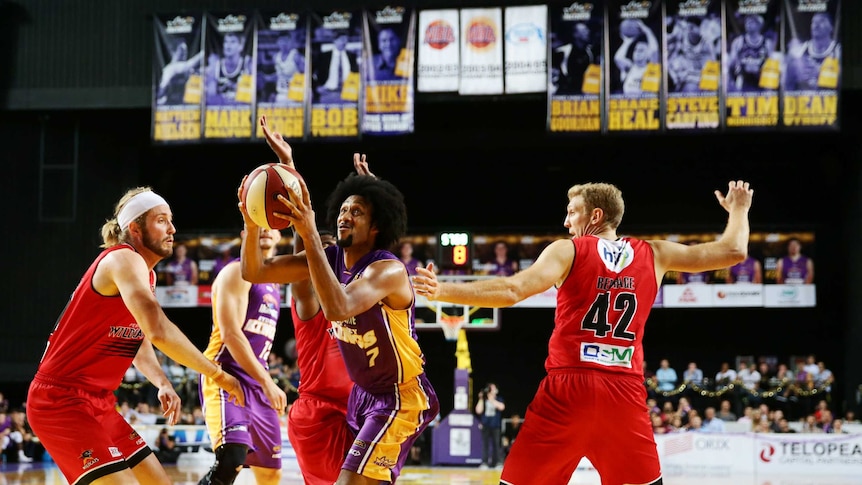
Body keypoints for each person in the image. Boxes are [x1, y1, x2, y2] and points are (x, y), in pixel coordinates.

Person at [412, 180, 754, 485]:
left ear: (595, 216)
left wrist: (442, 290)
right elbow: (733, 251)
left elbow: (513, 290)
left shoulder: (567, 250)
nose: (566, 221)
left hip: (567, 390)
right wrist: (738, 209)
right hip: (623, 391)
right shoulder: (656, 253)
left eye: (572, 212)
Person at [240, 116, 439, 484]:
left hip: (399, 397)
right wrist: (254, 221)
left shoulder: (388, 271)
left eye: (357, 211)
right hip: (361, 397)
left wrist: (310, 229)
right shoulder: (331, 260)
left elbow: (338, 306)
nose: (345, 215)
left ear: (376, 226)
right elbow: (254, 271)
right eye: (343, 209)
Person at [26, 187, 244, 485]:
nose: (172, 229)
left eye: (171, 220)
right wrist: (216, 374)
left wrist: (162, 381)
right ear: (135, 229)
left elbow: (138, 339)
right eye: (161, 220)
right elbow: (158, 329)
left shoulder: (146, 275)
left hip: (99, 402)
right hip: (60, 400)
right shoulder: (123, 259)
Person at [257, 115, 355, 485]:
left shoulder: (359, 296)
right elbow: (304, 240)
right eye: (318, 253)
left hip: (362, 412)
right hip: (322, 415)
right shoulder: (310, 301)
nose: (324, 257)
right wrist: (289, 168)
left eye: (331, 250)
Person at [197, 223, 287, 485]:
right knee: (231, 459)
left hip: (257, 379)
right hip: (225, 374)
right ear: (244, 235)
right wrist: (268, 382)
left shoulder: (273, 282)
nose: (265, 230)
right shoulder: (236, 272)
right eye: (257, 226)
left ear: (280, 236)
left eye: (272, 226)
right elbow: (231, 334)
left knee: (270, 473)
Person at [785, 12, 841, 91]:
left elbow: (845, 81)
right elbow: (787, 85)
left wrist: (822, 73)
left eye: (822, 21)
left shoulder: (838, 51)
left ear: (831, 27)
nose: (816, 25)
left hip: (830, 100)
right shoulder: (798, 51)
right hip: (805, 99)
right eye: (814, 22)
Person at [726, 14, 777, 92]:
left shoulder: (767, 43)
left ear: (759, 25)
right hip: (743, 82)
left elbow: (772, 65)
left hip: (761, 83)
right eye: (747, 22)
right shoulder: (738, 42)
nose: (748, 24)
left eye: (752, 22)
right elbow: (731, 63)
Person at [666, 17, 717, 92]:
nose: (690, 30)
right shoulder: (681, 35)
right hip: (684, 69)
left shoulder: (707, 44)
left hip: (698, 72)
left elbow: (712, 72)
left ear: (700, 28)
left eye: (692, 27)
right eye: (689, 27)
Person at [613, 20, 659, 95]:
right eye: (636, 50)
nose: (637, 52)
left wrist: (647, 31)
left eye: (641, 50)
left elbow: (654, 51)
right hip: (628, 104)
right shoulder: (629, 67)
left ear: (648, 54)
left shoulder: (651, 67)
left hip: (645, 105)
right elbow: (618, 58)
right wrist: (627, 42)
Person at [206, 31, 252, 105]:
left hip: (242, 110)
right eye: (226, 42)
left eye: (233, 42)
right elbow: (211, 96)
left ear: (241, 46)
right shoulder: (216, 65)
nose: (228, 45)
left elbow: (251, 96)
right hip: (221, 110)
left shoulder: (248, 64)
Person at [314, 30, 359, 103]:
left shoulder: (352, 56)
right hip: (328, 93)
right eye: (342, 39)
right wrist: (317, 87)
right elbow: (312, 72)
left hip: (348, 93)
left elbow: (356, 74)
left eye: (346, 40)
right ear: (335, 40)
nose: (344, 42)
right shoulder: (324, 56)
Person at [554, 22, 597, 95]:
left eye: (587, 30)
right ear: (575, 34)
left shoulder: (590, 52)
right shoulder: (562, 51)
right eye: (584, 30)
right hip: (565, 93)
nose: (588, 32)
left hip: (583, 93)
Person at [156, 41, 204, 105]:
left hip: (180, 103)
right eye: (181, 50)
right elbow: (188, 65)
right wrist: (203, 53)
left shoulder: (184, 69)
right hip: (169, 104)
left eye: (185, 50)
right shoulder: (171, 68)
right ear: (173, 52)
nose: (184, 53)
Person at [475, 382, 505, 469]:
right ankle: (484, 463)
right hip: (485, 425)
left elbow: (502, 407)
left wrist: (491, 399)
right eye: (490, 388)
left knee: (496, 444)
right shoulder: (484, 400)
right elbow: (478, 411)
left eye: (493, 388)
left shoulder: (499, 399)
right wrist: (481, 398)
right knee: (485, 445)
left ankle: (498, 462)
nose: (491, 390)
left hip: (495, 425)